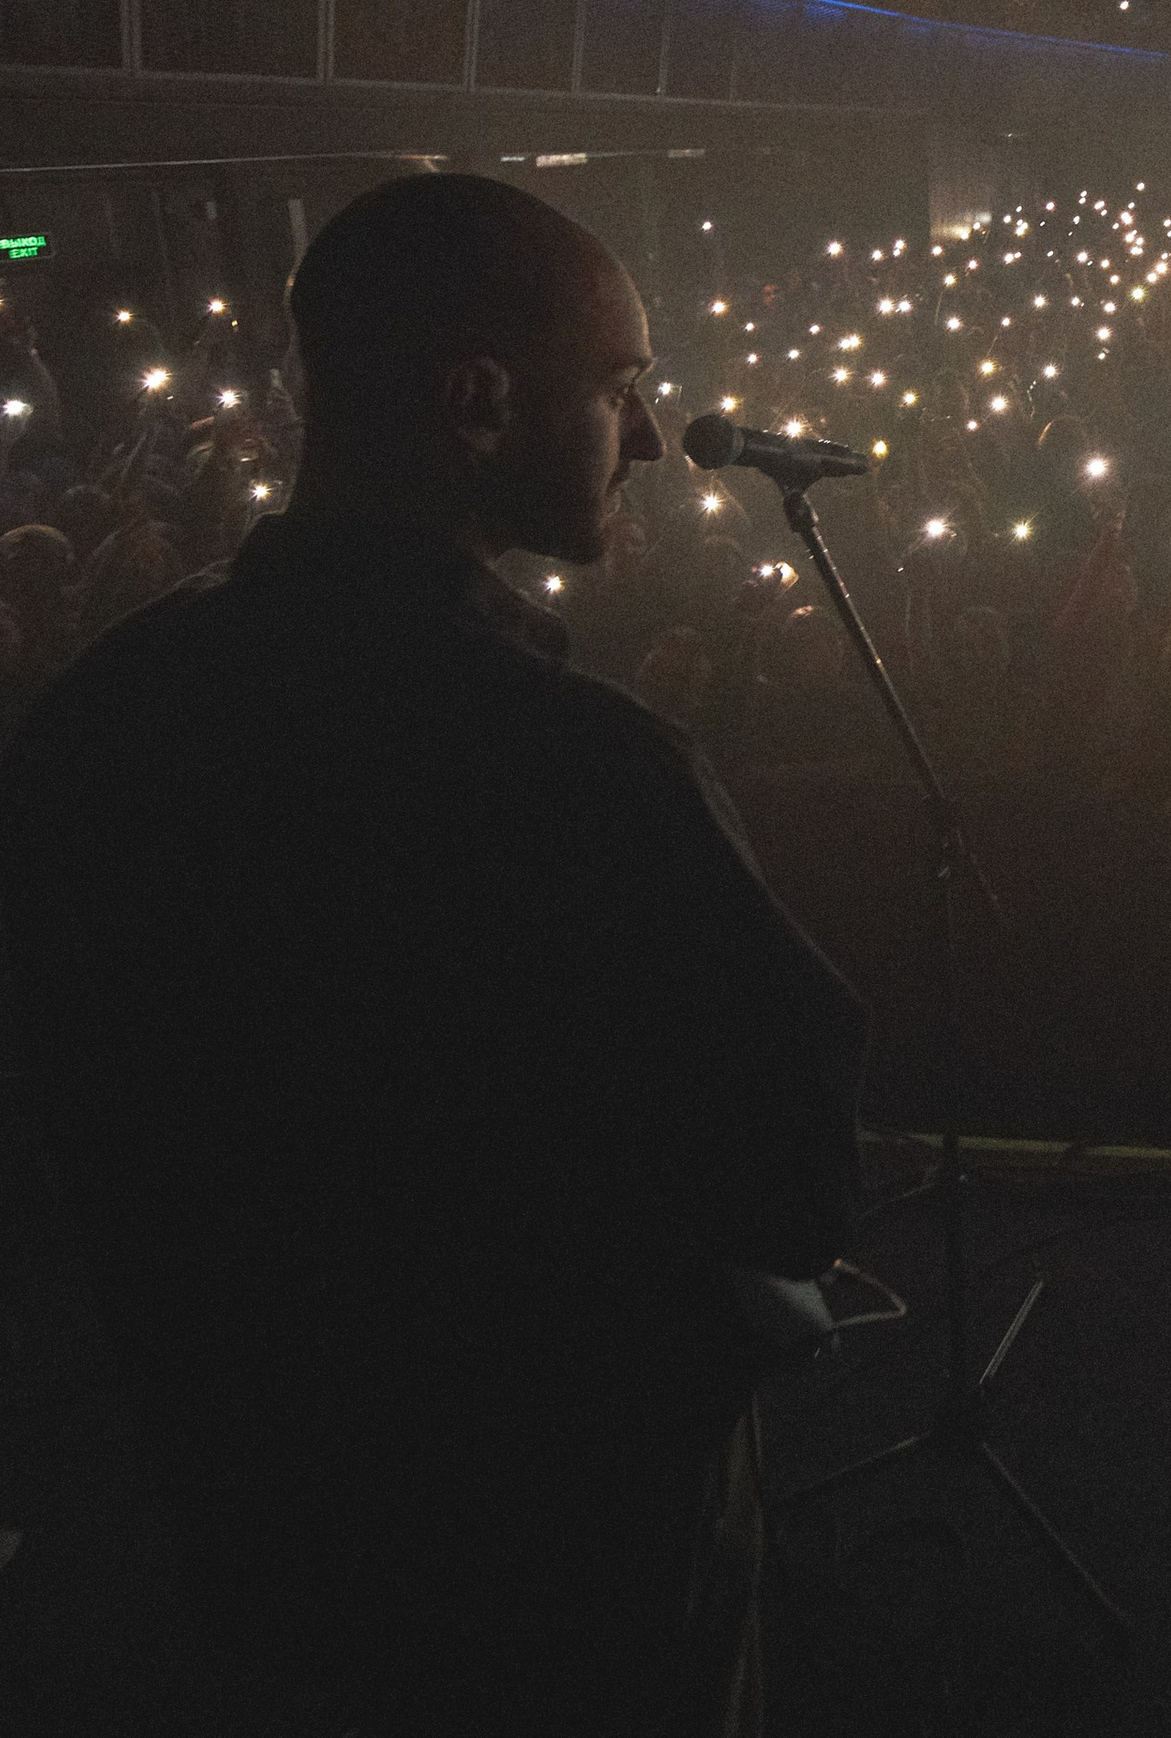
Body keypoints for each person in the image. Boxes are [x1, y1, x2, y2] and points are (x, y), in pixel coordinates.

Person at [0, 173, 867, 1736]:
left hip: (207, 1540)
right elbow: (792, 1178)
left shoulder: (100, 717)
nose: (654, 440)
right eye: (620, 389)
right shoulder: (592, 774)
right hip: (555, 1568)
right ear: (479, 402)